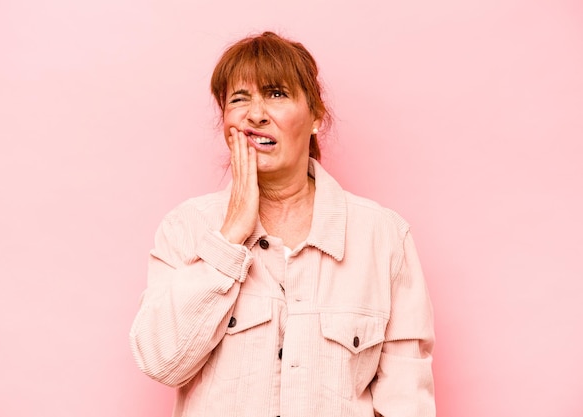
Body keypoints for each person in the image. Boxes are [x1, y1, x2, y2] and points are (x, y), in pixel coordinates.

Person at [130, 31, 435, 417]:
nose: (256, 114)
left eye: (276, 94)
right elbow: (160, 361)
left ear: (315, 117)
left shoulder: (384, 237)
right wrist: (230, 236)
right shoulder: (185, 229)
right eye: (239, 99)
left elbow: (406, 402)